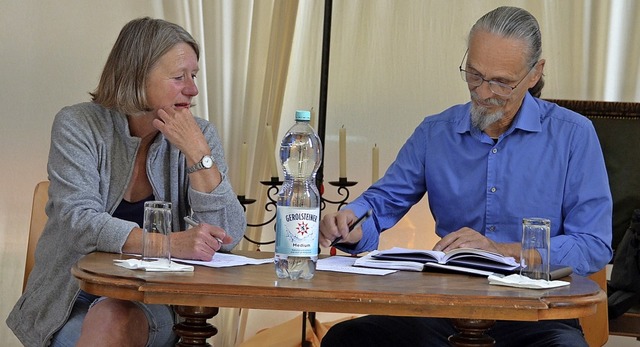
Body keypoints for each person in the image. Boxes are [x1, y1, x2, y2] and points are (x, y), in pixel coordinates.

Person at [319, 6, 612, 347]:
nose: (483, 92)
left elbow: (594, 244)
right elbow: (379, 205)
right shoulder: (435, 132)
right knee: (348, 339)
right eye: (474, 75)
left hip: (536, 315)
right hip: (443, 308)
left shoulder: (573, 135)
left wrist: (501, 251)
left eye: (501, 82)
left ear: (534, 74)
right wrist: (351, 224)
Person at [7, 17, 246, 347]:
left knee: (114, 317)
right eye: (179, 77)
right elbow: (79, 222)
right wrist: (169, 244)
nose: (192, 89)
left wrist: (198, 154)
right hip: (71, 298)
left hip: (154, 300)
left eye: (194, 75)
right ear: (137, 74)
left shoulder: (199, 135)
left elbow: (228, 236)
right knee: (104, 320)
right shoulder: (78, 125)